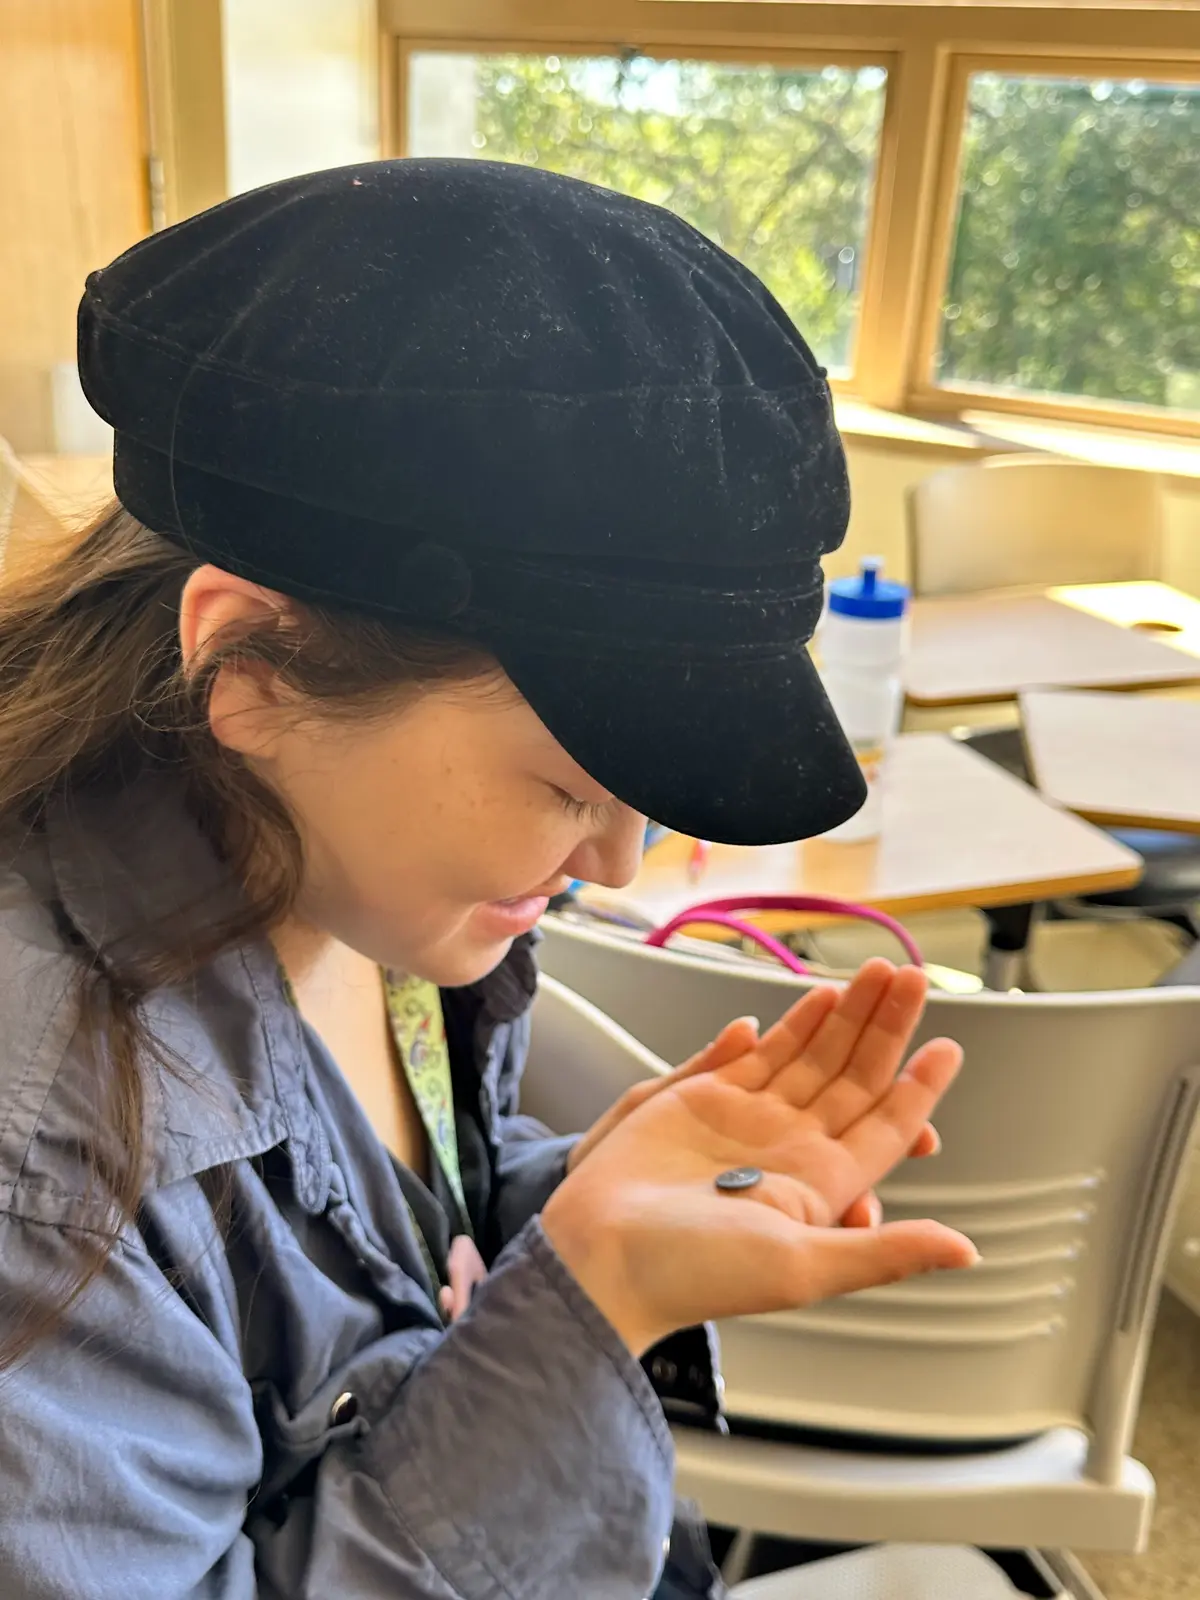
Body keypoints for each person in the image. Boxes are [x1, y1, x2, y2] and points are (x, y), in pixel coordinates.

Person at [0, 159, 976, 1600]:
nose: (615, 864)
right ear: (248, 665)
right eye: (572, 787)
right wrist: (594, 1304)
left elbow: (387, 1246)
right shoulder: (45, 1171)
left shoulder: (363, 880)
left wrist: (588, 1206)